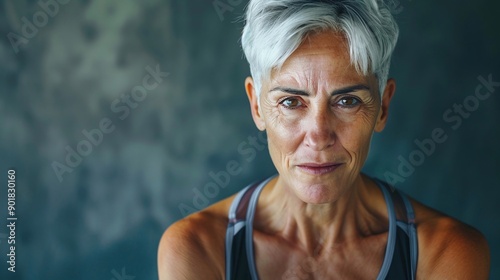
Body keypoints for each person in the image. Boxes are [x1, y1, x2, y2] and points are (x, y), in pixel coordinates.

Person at [158, 0, 490, 279]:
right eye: (291, 102)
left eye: (347, 101)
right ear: (256, 106)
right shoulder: (197, 247)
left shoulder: (445, 252)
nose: (318, 135)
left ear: (383, 107)